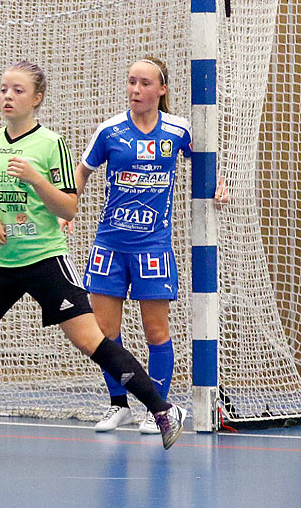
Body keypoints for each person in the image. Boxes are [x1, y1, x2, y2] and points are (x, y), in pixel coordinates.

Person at [0, 61, 182, 459]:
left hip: (44, 259)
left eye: (17, 90)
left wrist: (37, 179)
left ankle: (162, 408)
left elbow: (69, 208)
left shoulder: (50, 144)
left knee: (92, 340)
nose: (7, 96)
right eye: (3, 88)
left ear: (36, 99)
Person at [75, 56, 226, 433]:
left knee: (156, 332)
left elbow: (203, 163)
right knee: (105, 334)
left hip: (152, 248)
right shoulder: (110, 130)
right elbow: (82, 171)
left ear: (161, 89)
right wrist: (67, 210)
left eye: (144, 83)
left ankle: (155, 410)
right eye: (131, 82)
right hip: (109, 245)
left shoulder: (177, 130)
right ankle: (118, 405)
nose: (135, 90)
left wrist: (218, 184)